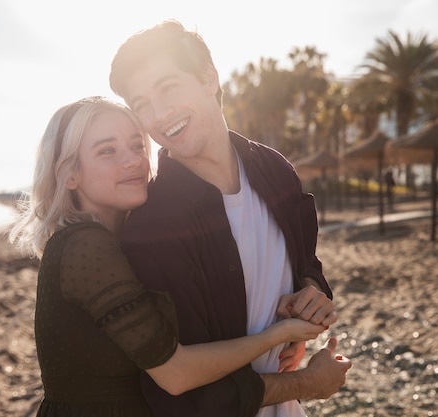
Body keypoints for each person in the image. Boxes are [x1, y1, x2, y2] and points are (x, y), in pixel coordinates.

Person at [8, 96, 336, 416]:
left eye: (137, 146)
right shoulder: (85, 246)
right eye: (107, 151)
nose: (133, 160)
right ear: (69, 174)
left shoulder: (122, 241)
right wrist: (282, 339)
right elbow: (176, 373)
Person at [110, 20, 352, 417]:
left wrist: (310, 292)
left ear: (209, 79)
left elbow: (305, 259)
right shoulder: (153, 226)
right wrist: (309, 383)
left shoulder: (275, 171)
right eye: (141, 104)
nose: (158, 114)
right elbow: (186, 395)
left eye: (168, 87)